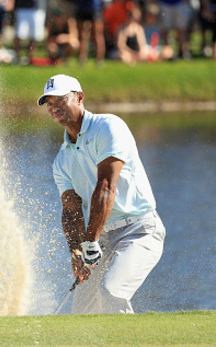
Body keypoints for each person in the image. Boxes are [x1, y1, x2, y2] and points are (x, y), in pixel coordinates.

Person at [37, 74, 165, 314]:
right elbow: (71, 210)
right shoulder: (61, 160)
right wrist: (77, 251)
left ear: (79, 97)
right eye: (49, 104)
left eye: (60, 100)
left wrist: (90, 242)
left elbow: (106, 187)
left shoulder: (108, 127)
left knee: (111, 292)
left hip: (138, 231)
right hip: (101, 238)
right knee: (82, 312)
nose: (54, 108)